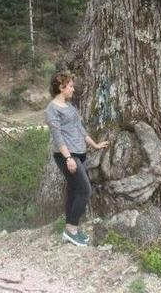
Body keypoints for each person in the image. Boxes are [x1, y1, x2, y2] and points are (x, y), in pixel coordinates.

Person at [45, 70, 108, 246]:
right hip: (67, 155)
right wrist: (68, 158)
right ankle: (71, 230)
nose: (73, 89)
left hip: (79, 154)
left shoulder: (70, 106)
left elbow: (80, 129)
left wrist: (95, 145)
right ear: (61, 87)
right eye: (71, 86)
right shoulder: (52, 109)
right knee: (85, 191)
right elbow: (57, 136)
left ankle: (70, 229)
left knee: (74, 191)